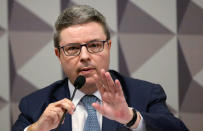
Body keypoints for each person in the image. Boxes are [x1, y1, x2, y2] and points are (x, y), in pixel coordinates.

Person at [12, 5, 188, 131]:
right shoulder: (35, 105)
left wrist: (131, 118)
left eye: (94, 45)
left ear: (108, 47)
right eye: (72, 48)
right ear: (58, 55)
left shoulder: (146, 95)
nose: (84, 56)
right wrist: (36, 130)